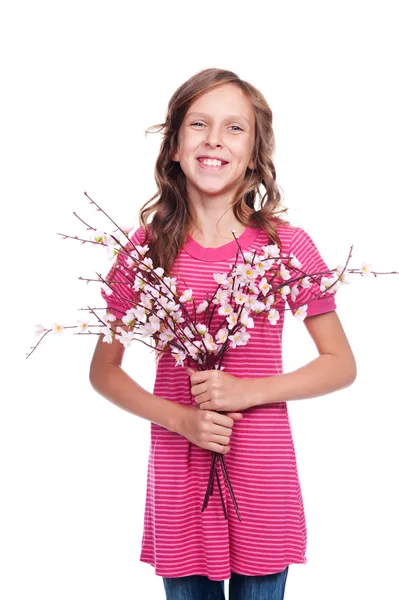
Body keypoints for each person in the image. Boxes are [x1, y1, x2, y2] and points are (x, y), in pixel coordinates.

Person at [89, 67, 357, 600]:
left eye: (235, 129)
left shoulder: (286, 248)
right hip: (178, 468)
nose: (214, 140)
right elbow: (104, 370)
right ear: (174, 147)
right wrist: (180, 419)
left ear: (256, 154)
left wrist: (248, 391)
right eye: (198, 125)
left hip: (260, 470)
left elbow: (340, 363)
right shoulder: (144, 253)